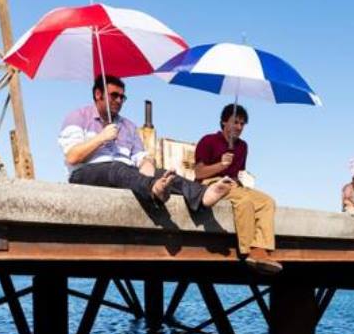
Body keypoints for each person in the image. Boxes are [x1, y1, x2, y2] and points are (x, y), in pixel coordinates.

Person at [58, 75, 233, 212]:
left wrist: (148, 166)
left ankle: (202, 195)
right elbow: (73, 157)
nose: (119, 100)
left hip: (123, 171)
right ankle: (154, 190)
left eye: (122, 97)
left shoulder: (128, 126)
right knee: (116, 168)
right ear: (98, 94)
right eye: (114, 95)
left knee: (163, 173)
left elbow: (140, 158)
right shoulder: (78, 117)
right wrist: (101, 137)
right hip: (85, 173)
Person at [194, 104, 282, 275]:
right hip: (210, 184)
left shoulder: (243, 146)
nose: (239, 127)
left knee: (267, 202)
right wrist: (221, 165)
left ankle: (260, 250)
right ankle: (248, 250)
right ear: (223, 122)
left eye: (242, 124)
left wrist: (243, 179)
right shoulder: (208, 140)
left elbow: (238, 174)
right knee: (245, 202)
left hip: (233, 184)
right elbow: (199, 172)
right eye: (235, 122)